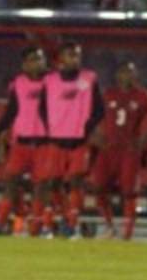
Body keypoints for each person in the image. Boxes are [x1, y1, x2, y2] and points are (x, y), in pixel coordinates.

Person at [90, 63, 147, 240]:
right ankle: (109, 226)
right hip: (108, 148)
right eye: (124, 72)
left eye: (131, 72)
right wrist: (95, 136)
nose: (128, 76)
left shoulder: (145, 96)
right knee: (98, 187)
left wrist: (146, 139)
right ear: (117, 75)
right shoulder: (107, 94)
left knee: (129, 191)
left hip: (129, 150)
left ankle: (128, 232)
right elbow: (89, 116)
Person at [35, 42, 104, 238]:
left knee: (76, 181)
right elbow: (42, 108)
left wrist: (86, 128)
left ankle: (71, 223)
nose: (74, 59)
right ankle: (58, 218)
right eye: (70, 55)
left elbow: (99, 109)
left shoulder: (89, 79)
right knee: (53, 183)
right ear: (60, 59)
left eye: (77, 55)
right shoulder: (50, 81)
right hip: (56, 139)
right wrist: (51, 127)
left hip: (79, 141)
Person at [0, 45, 48, 235]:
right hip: (21, 142)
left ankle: (37, 225)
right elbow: (11, 112)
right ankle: (0, 222)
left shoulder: (52, 83)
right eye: (33, 59)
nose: (38, 63)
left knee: (41, 185)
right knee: (11, 181)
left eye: (40, 59)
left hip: (44, 142)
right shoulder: (18, 84)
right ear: (24, 65)